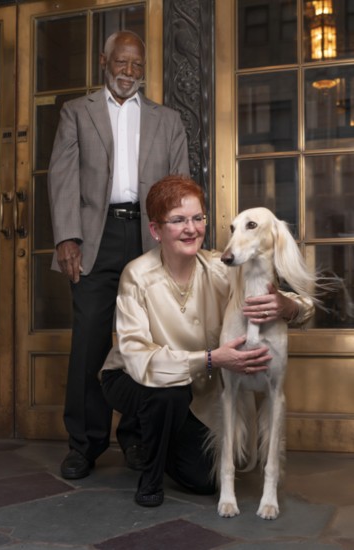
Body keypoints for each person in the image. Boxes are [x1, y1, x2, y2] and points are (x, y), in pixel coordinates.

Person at [100, 175, 314, 507]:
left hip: (195, 386)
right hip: (131, 376)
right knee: (166, 394)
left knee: (202, 481)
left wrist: (290, 307)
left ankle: (161, 432)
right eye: (178, 220)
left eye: (197, 218)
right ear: (156, 230)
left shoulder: (220, 267)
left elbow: (274, 295)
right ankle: (149, 477)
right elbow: (139, 359)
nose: (191, 229)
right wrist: (213, 359)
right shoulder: (136, 275)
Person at [47, 30, 189, 480]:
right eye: (121, 63)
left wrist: (177, 240)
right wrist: (67, 237)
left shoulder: (168, 120)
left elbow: (179, 184)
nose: (129, 72)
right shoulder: (76, 112)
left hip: (148, 237)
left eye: (136, 65)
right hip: (96, 236)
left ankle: (136, 439)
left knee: (144, 341)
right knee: (89, 341)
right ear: (104, 62)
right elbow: (63, 179)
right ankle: (84, 444)